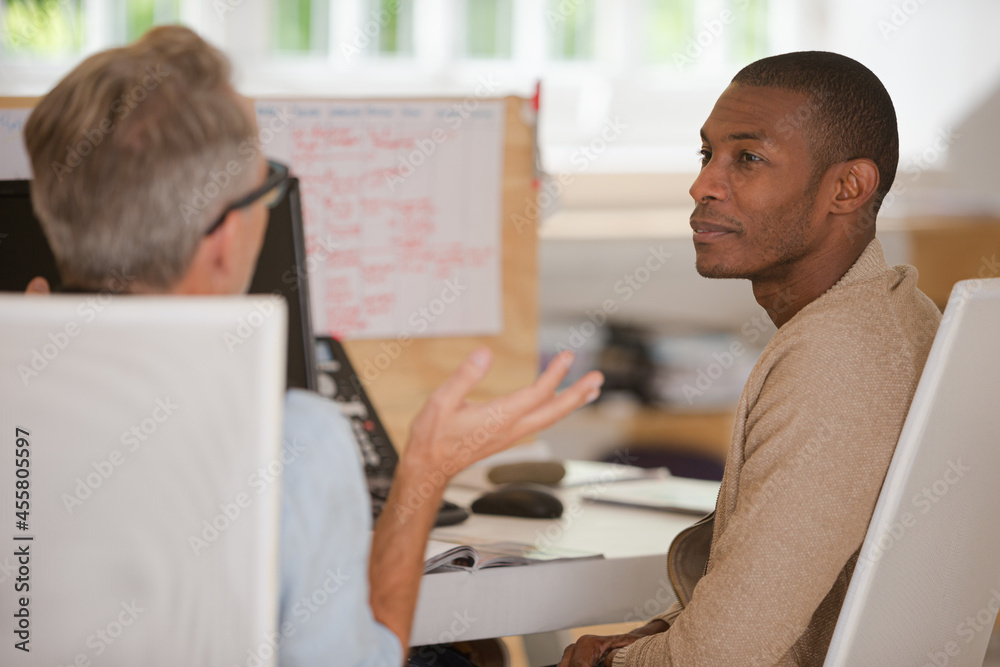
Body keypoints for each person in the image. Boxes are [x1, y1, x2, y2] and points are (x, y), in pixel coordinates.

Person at [21, 26, 604, 666]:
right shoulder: (294, 441)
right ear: (224, 241)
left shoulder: (21, 397)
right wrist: (424, 471)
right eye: (266, 186)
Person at [557, 52, 942, 666]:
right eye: (706, 155)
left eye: (749, 158)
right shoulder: (897, 311)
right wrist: (654, 637)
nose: (703, 184)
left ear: (848, 187)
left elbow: (721, 657)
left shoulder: (833, 358)